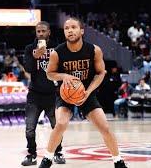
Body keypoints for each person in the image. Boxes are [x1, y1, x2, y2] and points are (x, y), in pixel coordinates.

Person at [39, 17, 128, 168]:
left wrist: (88, 92)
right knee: (60, 124)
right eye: (67, 28)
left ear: (81, 31)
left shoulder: (94, 50)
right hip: (65, 94)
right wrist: (64, 76)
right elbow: (49, 73)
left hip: (86, 93)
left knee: (104, 127)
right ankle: (47, 158)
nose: (70, 30)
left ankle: (118, 161)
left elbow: (101, 73)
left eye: (73, 27)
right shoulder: (57, 53)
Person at [22, 21, 65, 166]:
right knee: (29, 128)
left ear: (49, 32)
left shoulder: (58, 47)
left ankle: (58, 152)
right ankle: (32, 155)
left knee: (56, 126)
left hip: (53, 95)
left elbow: (63, 68)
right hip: (34, 95)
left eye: (43, 31)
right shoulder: (29, 48)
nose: (40, 33)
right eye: (38, 31)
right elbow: (28, 69)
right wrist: (35, 57)